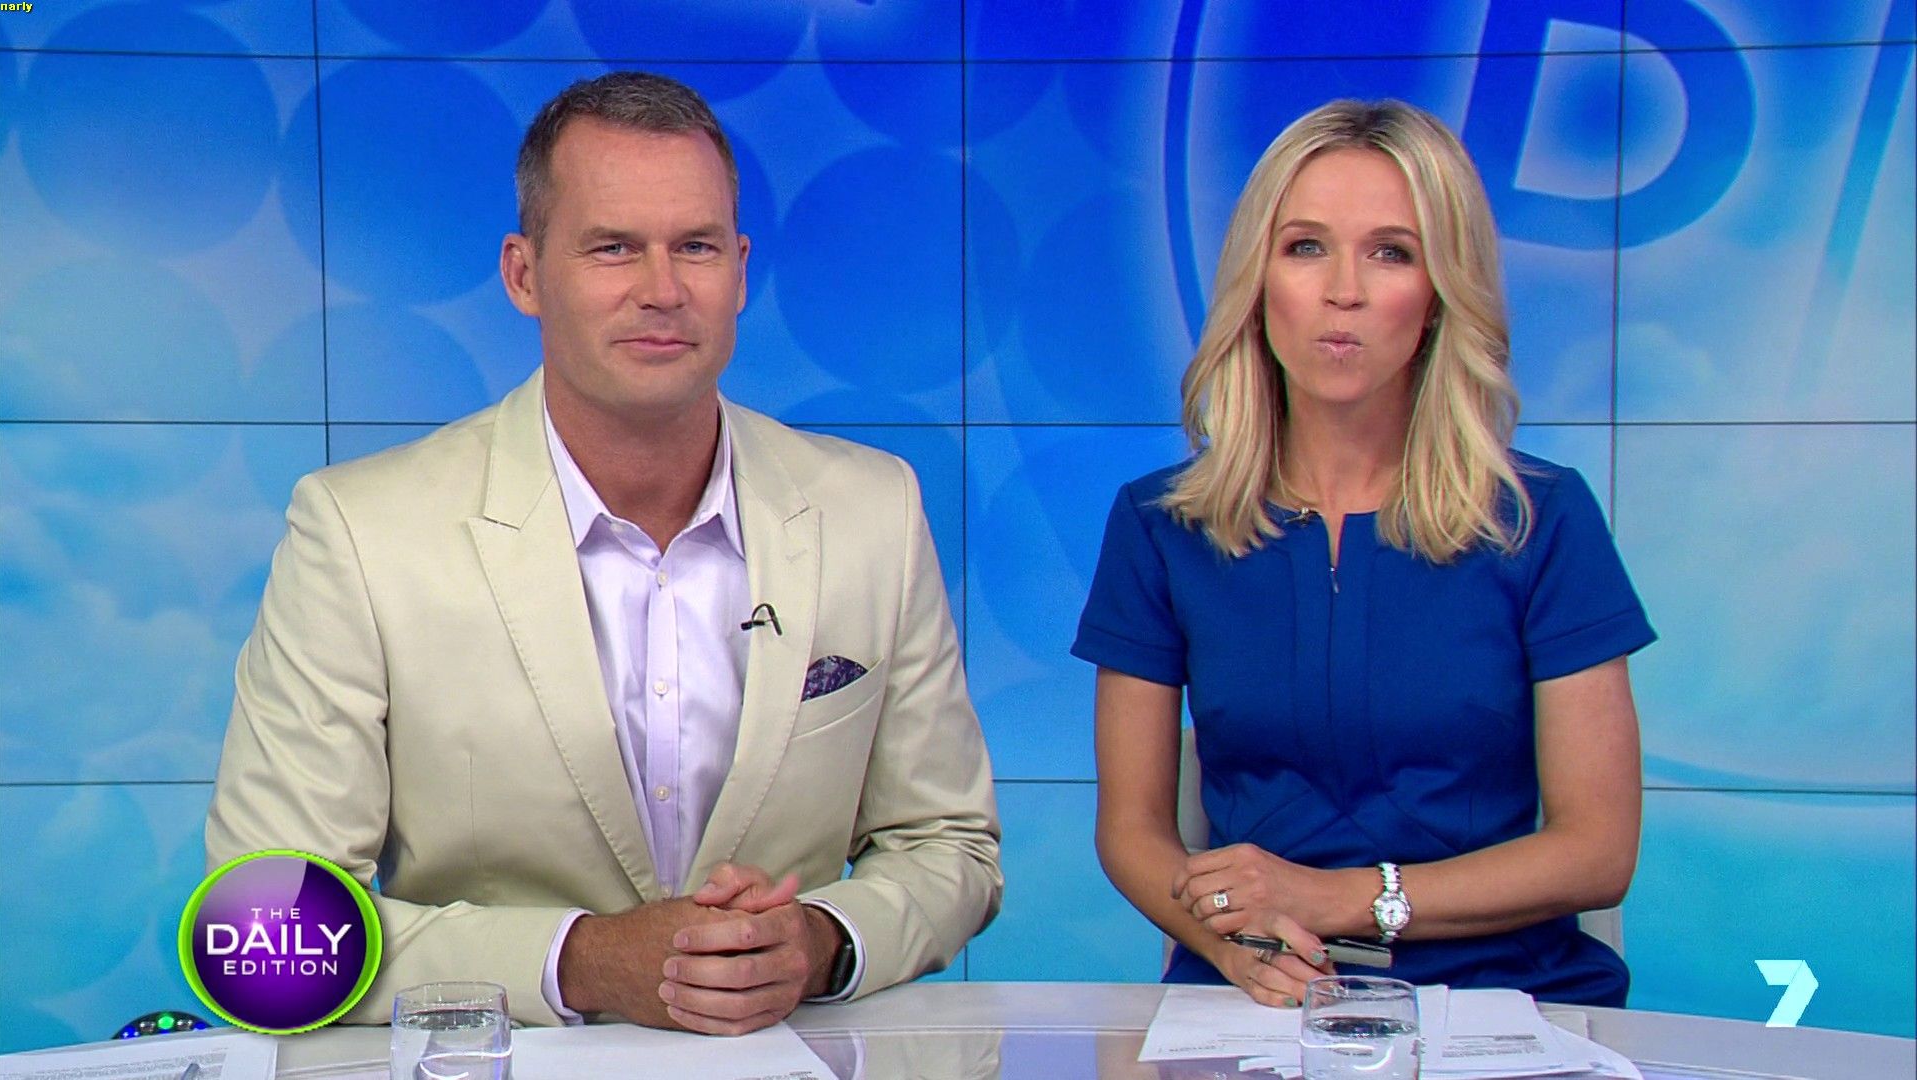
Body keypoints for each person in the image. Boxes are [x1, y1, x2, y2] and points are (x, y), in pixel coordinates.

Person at [206, 71, 1002, 1035]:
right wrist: (581, 962)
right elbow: (266, 922)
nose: (662, 291)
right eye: (613, 247)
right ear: (524, 275)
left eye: (696, 247)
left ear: (741, 271)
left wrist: (822, 939)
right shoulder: (361, 531)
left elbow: (949, 845)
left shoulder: (873, 510)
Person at [1072, 99, 1654, 1008]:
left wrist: (1342, 898)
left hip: (1507, 1001)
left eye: (1391, 252)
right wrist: (1229, 946)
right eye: (1306, 247)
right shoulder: (1160, 525)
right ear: (1258, 279)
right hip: (1254, 1001)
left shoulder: (1538, 519)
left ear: (1440, 293)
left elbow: (1597, 851)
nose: (1343, 290)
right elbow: (1133, 832)